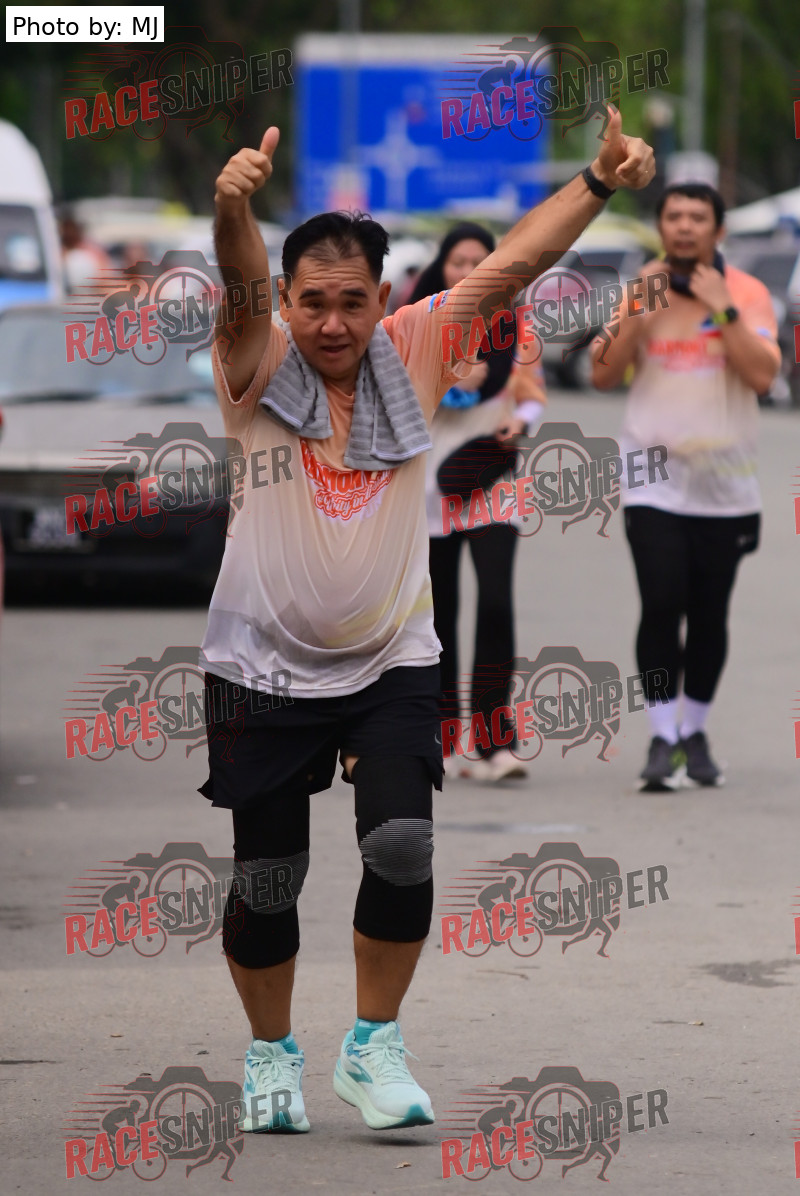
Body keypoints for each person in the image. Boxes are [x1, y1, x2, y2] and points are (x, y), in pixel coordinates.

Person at [199, 114, 654, 1136]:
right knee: (268, 878)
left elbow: (516, 262)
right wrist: (232, 209)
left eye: (351, 301)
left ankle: (372, 1045)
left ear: (382, 298)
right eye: (311, 302)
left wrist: (596, 180)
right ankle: (270, 1053)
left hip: (391, 658)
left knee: (401, 843)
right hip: (259, 668)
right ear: (286, 301)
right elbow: (237, 283)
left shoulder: (416, 346)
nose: (331, 324)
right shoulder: (254, 358)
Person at [591, 182, 780, 790]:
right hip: (653, 480)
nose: (685, 226)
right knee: (661, 601)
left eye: (698, 217)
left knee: (708, 612)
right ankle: (663, 737)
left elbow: (762, 376)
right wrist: (636, 313)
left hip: (725, 486)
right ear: (661, 227)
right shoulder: (638, 289)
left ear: (718, 231)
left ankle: (694, 731)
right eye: (674, 216)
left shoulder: (746, 292)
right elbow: (601, 375)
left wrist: (722, 308)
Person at [409, 223, 547, 782]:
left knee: (495, 604)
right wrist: (450, 373)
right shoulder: (417, 323)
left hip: (491, 478)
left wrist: (522, 420)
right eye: (457, 261)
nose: (467, 272)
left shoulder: (514, 324)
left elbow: (532, 392)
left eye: (478, 262)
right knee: (438, 615)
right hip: (429, 485)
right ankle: (441, 738)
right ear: (441, 266)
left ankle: (494, 742)